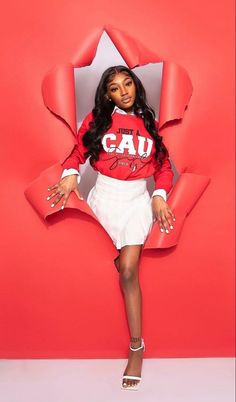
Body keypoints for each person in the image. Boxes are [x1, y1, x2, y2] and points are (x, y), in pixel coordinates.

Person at [46, 65, 176, 390]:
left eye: (128, 83)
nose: (124, 91)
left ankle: (136, 347)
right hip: (103, 199)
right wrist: (70, 174)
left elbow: (162, 167)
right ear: (107, 94)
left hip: (135, 203)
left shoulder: (149, 121)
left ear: (135, 85)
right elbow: (78, 151)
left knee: (128, 270)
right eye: (115, 88)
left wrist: (159, 196)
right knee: (95, 268)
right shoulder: (98, 121)